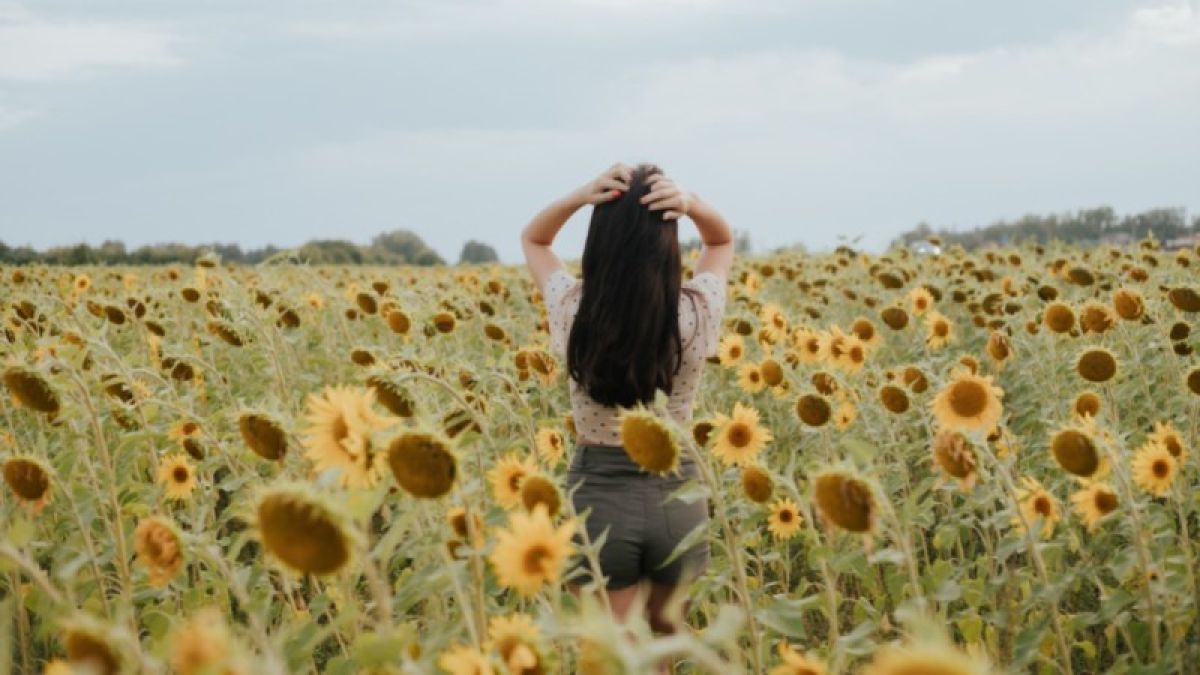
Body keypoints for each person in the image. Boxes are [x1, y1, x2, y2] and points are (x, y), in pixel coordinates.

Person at [520, 162, 734, 672]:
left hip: (598, 501)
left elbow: (534, 240)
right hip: (677, 498)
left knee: (613, 654)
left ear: (599, 241)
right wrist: (692, 204)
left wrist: (579, 196)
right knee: (667, 647)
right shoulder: (697, 311)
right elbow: (722, 243)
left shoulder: (573, 308)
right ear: (669, 241)